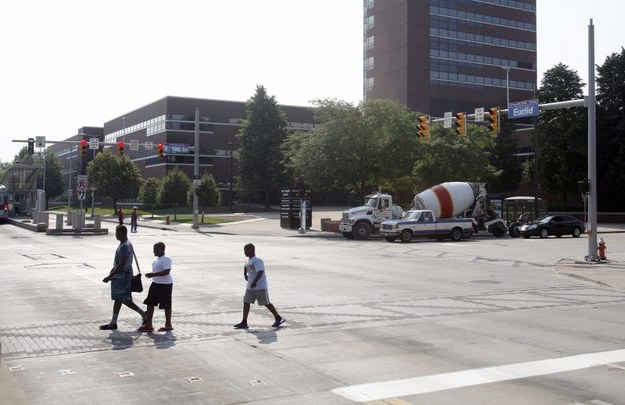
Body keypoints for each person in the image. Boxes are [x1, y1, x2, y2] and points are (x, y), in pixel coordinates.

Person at [100, 225, 147, 330]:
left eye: (117, 233)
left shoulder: (125, 246)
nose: (116, 235)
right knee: (118, 298)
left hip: (123, 275)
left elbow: (122, 263)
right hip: (120, 274)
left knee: (125, 299)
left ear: (123, 233)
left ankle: (144, 314)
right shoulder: (125, 244)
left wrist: (110, 276)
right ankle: (113, 322)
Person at [234, 243, 286, 329]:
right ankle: (244, 322)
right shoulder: (247, 259)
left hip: (260, 286)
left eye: (246, 250)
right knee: (246, 302)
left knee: (266, 303)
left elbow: (260, 272)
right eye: (244, 250)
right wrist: (245, 274)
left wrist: (255, 282)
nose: (244, 252)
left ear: (252, 250)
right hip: (250, 286)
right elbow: (246, 266)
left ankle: (278, 317)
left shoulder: (258, 260)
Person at [138, 242, 173, 333]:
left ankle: (168, 325)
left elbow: (167, 271)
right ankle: (149, 324)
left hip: (165, 284)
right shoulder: (156, 260)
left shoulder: (166, 259)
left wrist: (153, 274)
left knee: (166, 304)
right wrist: (153, 275)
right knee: (150, 302)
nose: (153, 251)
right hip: (156, 283)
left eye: (155, 249)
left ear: (162, 249)